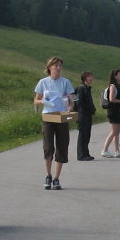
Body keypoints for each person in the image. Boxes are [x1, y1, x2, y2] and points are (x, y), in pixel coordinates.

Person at [34, 56, 76, 188]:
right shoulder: (43, 82)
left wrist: (70, 108)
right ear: (49, 67)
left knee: (62, 146)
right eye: (56, 65)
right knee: (48, 147)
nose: (58, 68)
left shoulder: (66, 82)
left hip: (61, 116)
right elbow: (36, 100)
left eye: (60, 66)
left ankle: (57, 178)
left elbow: (71, 100)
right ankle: (48, 176)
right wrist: (43, 102)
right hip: (47, 116)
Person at [100, 69, 120, 158]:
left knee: (117, 132)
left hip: (116, 110)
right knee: (114, 131)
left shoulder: (118, 86)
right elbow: (111, 99)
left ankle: (117, 150)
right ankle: (105, 150)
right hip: (113, 111)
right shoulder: (113, 86)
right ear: (115, 76)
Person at [74, 70, 96, 161]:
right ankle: (81, 155)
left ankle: (86, 153)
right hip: (82, 114)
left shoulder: (87, 88)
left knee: (87, 134)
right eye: (89, 76)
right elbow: (79, 102)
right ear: (84, 78)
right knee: (83, 134)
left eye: (91, 76)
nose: (91, 78)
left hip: (88, 114)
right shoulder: (81, 88)